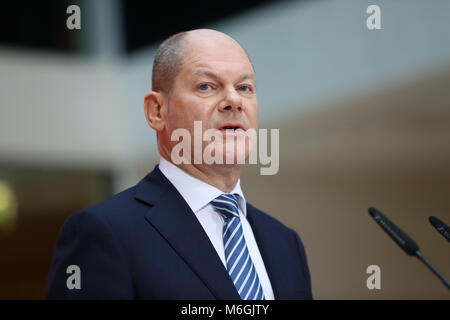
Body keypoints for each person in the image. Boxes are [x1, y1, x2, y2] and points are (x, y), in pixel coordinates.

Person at [46, 29, 312, 300]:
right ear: (157, 111)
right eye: (206, 86)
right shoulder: (104, 232)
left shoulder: (285, 243)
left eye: (244, 88)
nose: (234, 100)